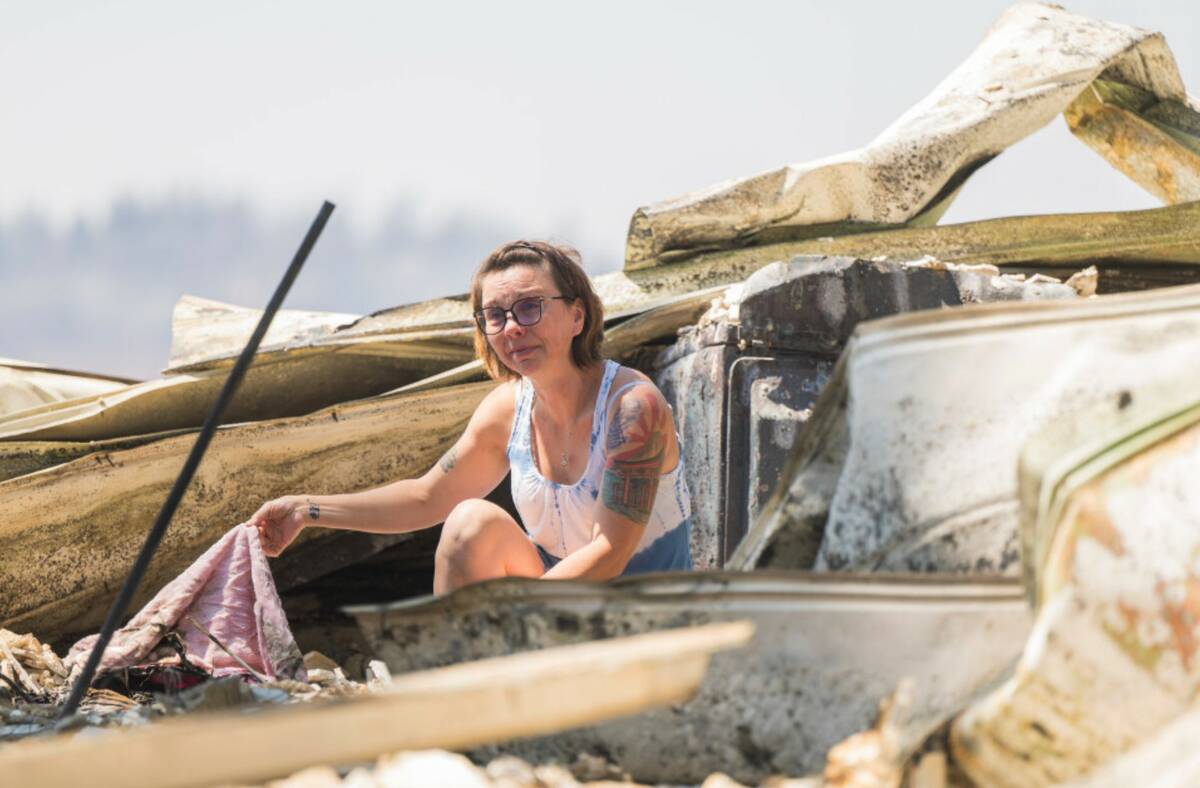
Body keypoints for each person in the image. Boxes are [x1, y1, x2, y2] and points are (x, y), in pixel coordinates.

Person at [248, 240, 693, 593]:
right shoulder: (507, 410)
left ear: (578, 316)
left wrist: (511, 619)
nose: (513, 328)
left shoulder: (633, 408)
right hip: (559, 620)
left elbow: (610, 552)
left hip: (647, 626)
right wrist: (306, 510)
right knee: (468, 522)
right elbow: (425, 498)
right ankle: (461, 683)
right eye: (494, 316)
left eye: (530, 307)